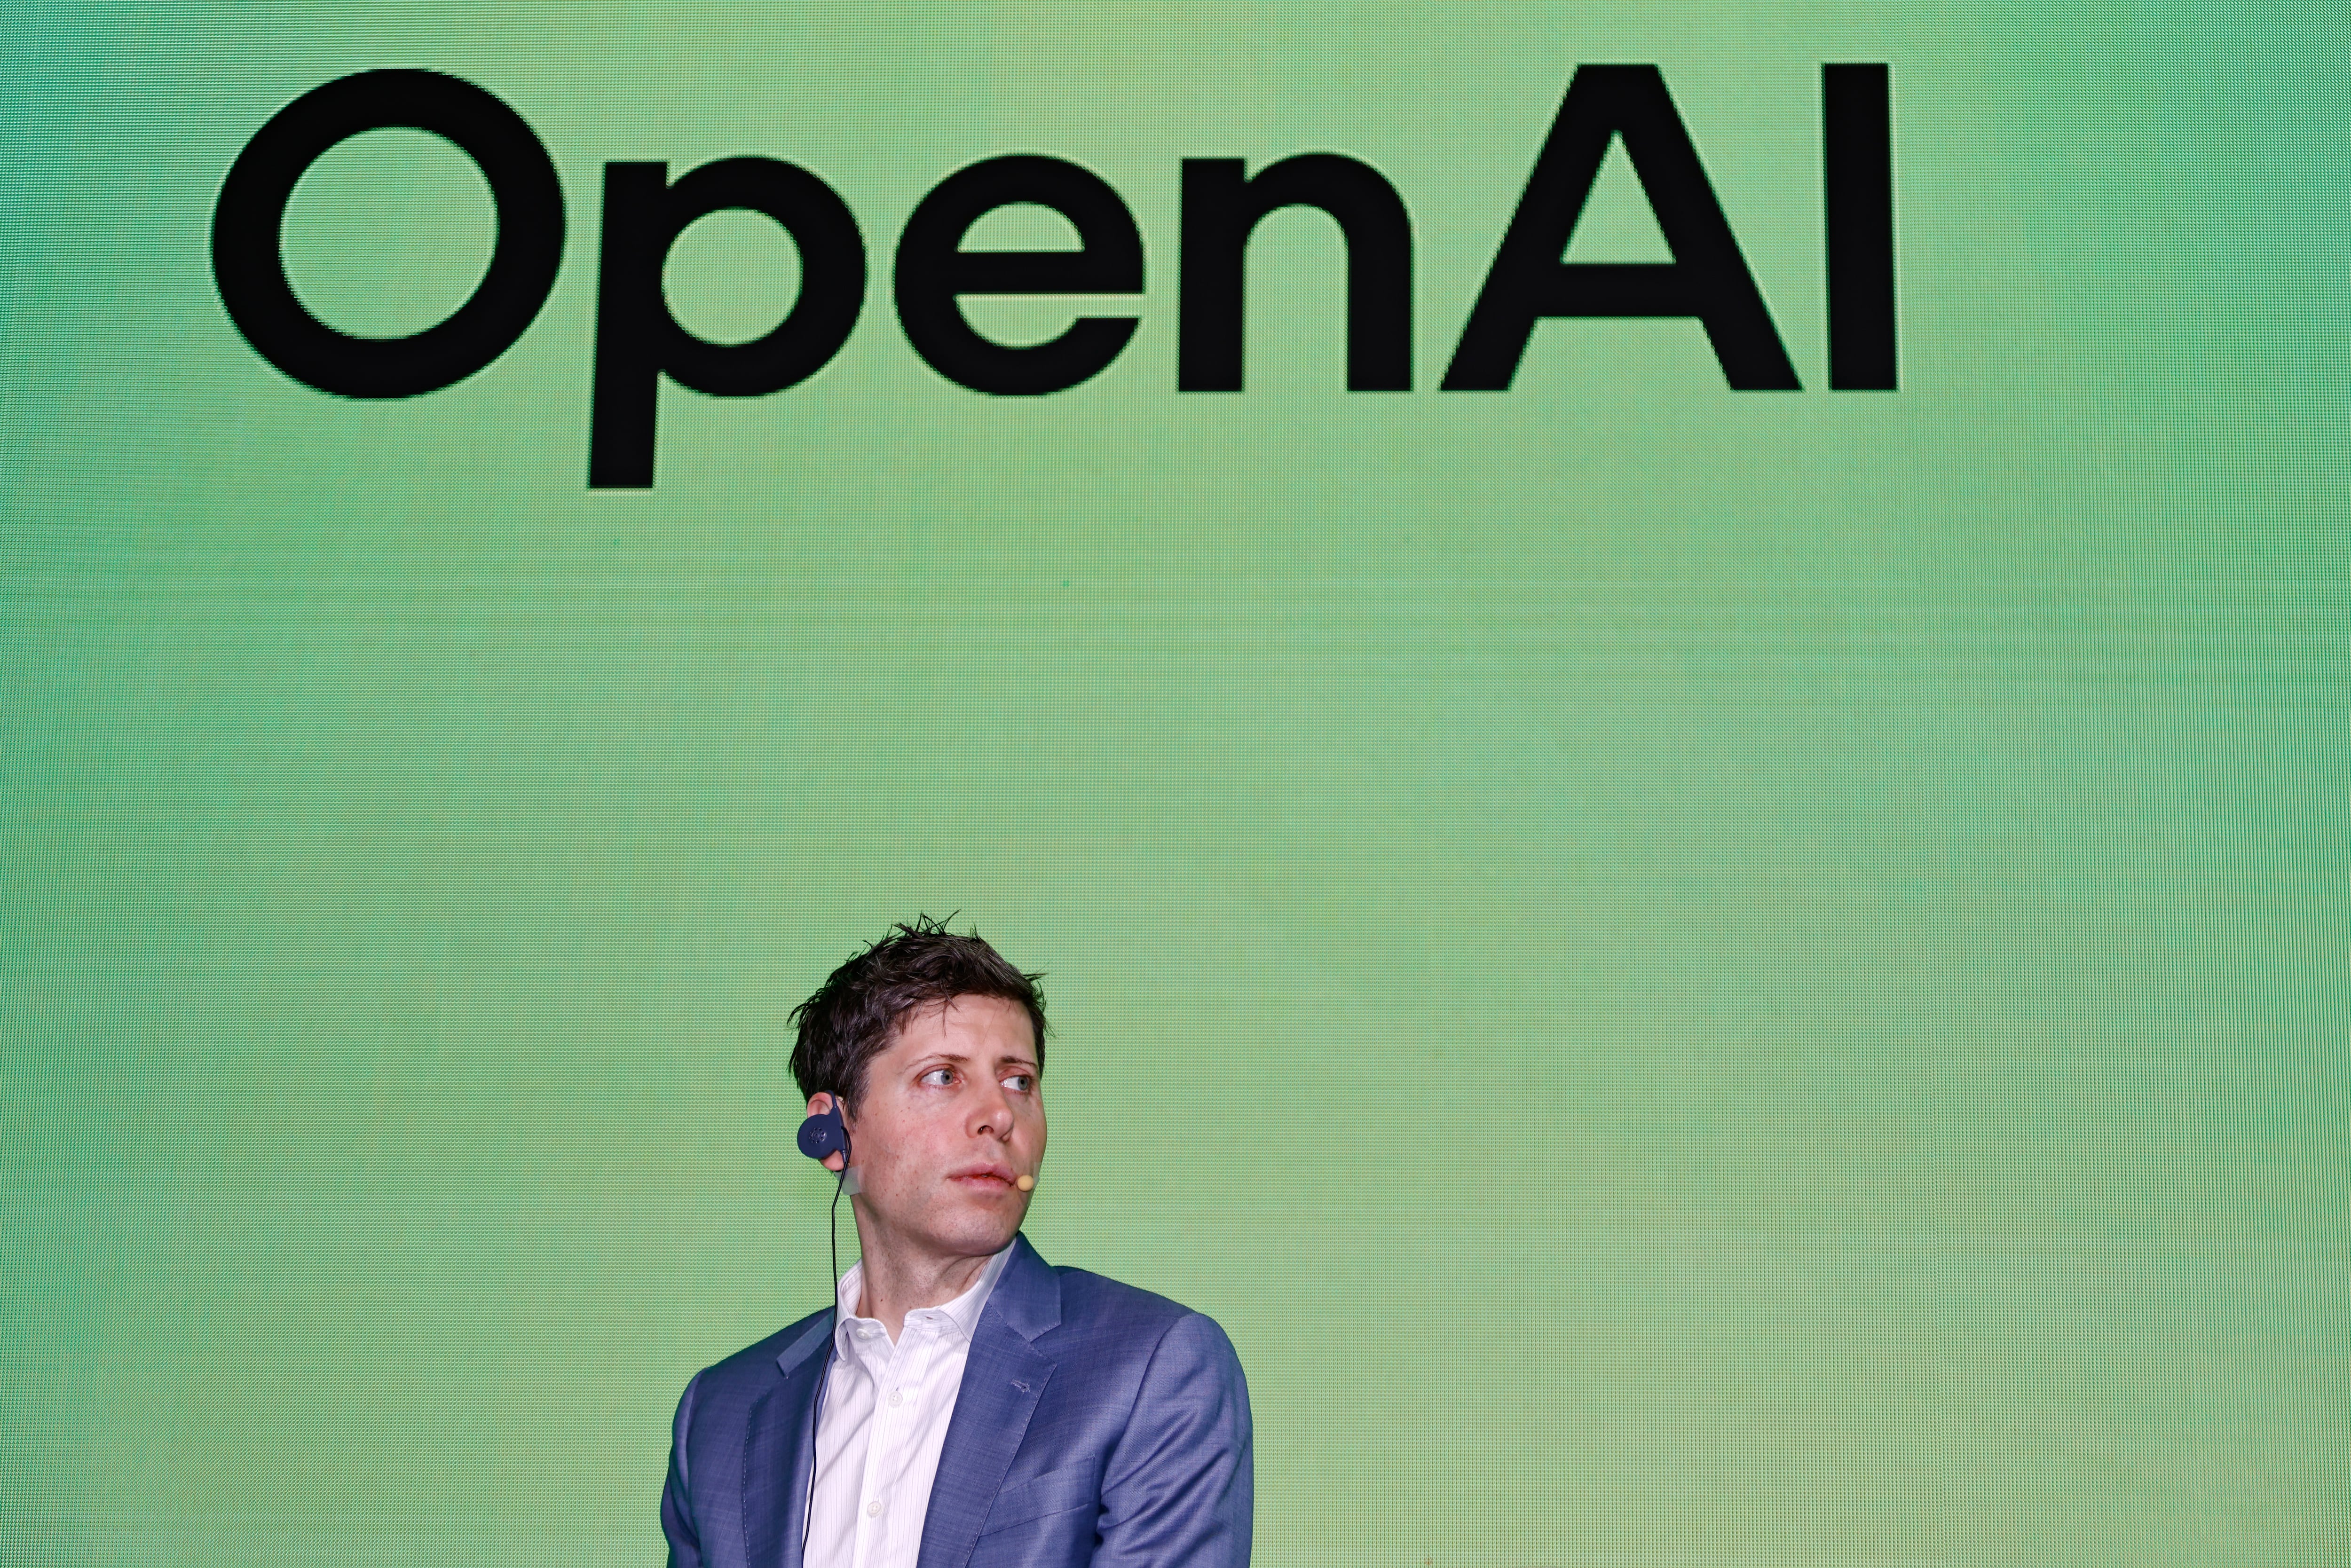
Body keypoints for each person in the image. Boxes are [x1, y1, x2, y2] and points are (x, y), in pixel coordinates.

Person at [660, 918, 1253, 1568]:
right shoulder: (719, 1415)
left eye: (1019, 1081)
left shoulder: (1153, 1368)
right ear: (832, 1133)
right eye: (943, 1076)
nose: (999, 1115)